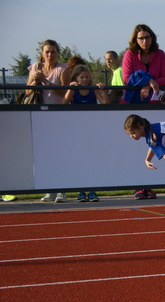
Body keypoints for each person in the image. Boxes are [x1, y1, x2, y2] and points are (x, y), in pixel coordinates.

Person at [27, 40, 71, 203]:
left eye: (53, 51)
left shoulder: (63, 68)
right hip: (39, 115)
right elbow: (27, 91)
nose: (50, 55)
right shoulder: (34, 68)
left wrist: (46, 81)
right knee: (44, 154)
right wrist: (35, 81)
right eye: (47, 51)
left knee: (59, 152)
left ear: (57, 53)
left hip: (58, 114)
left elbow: (64, 92)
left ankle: (62, 190)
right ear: (42, 53)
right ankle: (50, 189)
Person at [63, 63, 109, 202]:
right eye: (82, 77)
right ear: (76, 78)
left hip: (92, 128)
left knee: (92, 159)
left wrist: (103, 90)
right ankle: (81, 191)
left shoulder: (92, 89)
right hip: (77, 129)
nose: (85, 80)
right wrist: (71, 89)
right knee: (79, 160)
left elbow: (105, 104)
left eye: (87, 77)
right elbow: (64, 103)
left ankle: (92, 190)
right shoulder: (75, 90)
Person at [122, 24, 165, 104]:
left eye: (147, 37)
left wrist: (149, 85)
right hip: (133, 102)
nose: (145, 41)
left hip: (156, 102)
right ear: (136, 39)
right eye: (141, 38)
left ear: (152, 38)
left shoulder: (160, 54)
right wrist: (148, 81)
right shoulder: (129, 54)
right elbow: (127, 78)